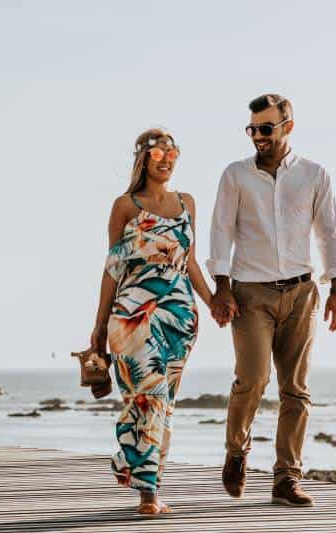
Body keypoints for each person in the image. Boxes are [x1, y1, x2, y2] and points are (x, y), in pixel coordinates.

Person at [208, 94, 336, 507]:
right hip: (251, 292)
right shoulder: (235, 175)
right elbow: (221, 231)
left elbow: (329, 233)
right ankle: (237, 450)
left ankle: (287, 477)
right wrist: (221, 286)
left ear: (287, 126)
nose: (258, 137)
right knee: (252, 379)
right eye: (252, 129)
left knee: (296, 390)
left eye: (266, 128)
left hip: (303, 292)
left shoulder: (313, 174)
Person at [90, 128, 213, 515]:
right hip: (132, 317)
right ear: (143, 158)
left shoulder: (187, 202)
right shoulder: (125, 206)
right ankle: (149, 493)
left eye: (172, 152)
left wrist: (212, 302)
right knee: (149, 398)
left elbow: (189, 261)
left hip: (180, 318)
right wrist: (97, 328)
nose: (167, 159)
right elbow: (113, 268)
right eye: (159, 153)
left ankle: (129, 461)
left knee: (163, 403)